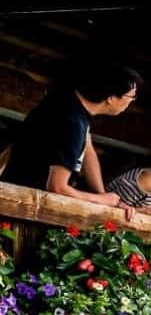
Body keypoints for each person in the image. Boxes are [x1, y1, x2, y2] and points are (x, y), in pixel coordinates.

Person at [1, 63, 141, 208]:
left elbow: (88, 150)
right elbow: (57, 187)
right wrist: (101, 200)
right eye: (131, 96)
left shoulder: (72, 103)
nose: (131, 101)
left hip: (15, 190)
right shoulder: (73, 124)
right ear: (111, 97)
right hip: (21, 202)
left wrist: (103, 195)